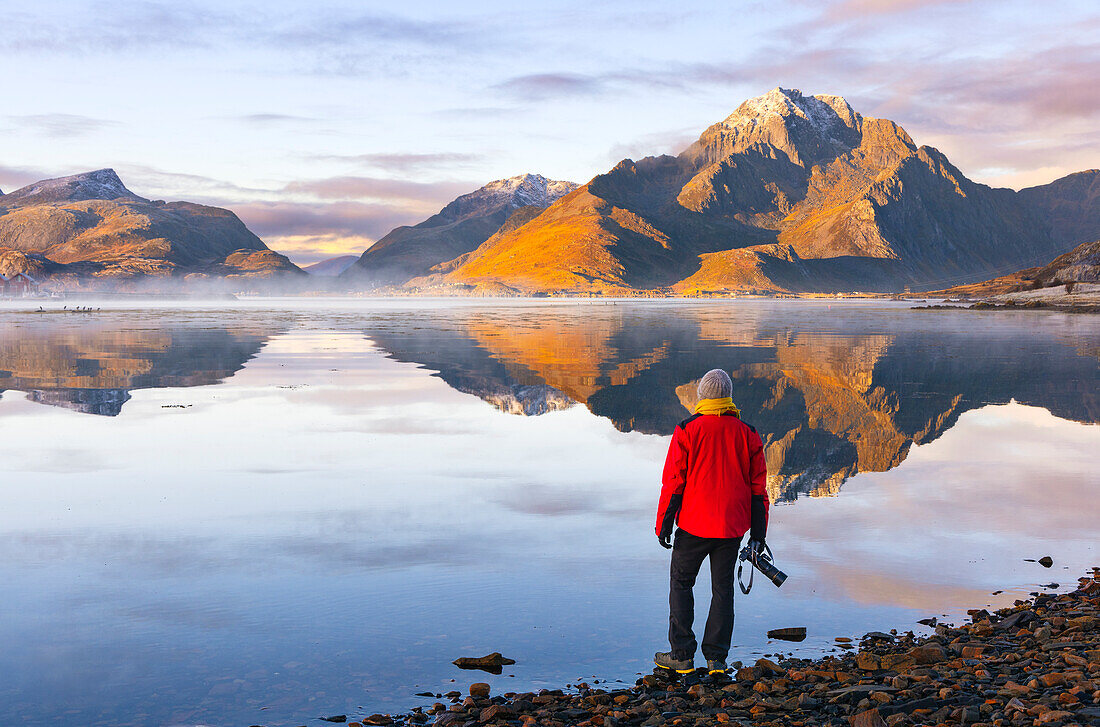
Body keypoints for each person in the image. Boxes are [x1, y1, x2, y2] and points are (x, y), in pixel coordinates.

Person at [653, 368, 769, 675]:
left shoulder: (687, 429)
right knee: (723, 590)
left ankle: (682, 656)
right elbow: (759, 489)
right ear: (729, 397)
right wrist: (759, 534)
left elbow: (674, 482)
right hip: (731, 528)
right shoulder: (748, 433)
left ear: (702, 396)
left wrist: (663, 525)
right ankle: (716, 659)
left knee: (681, 584)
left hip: (693, 525)